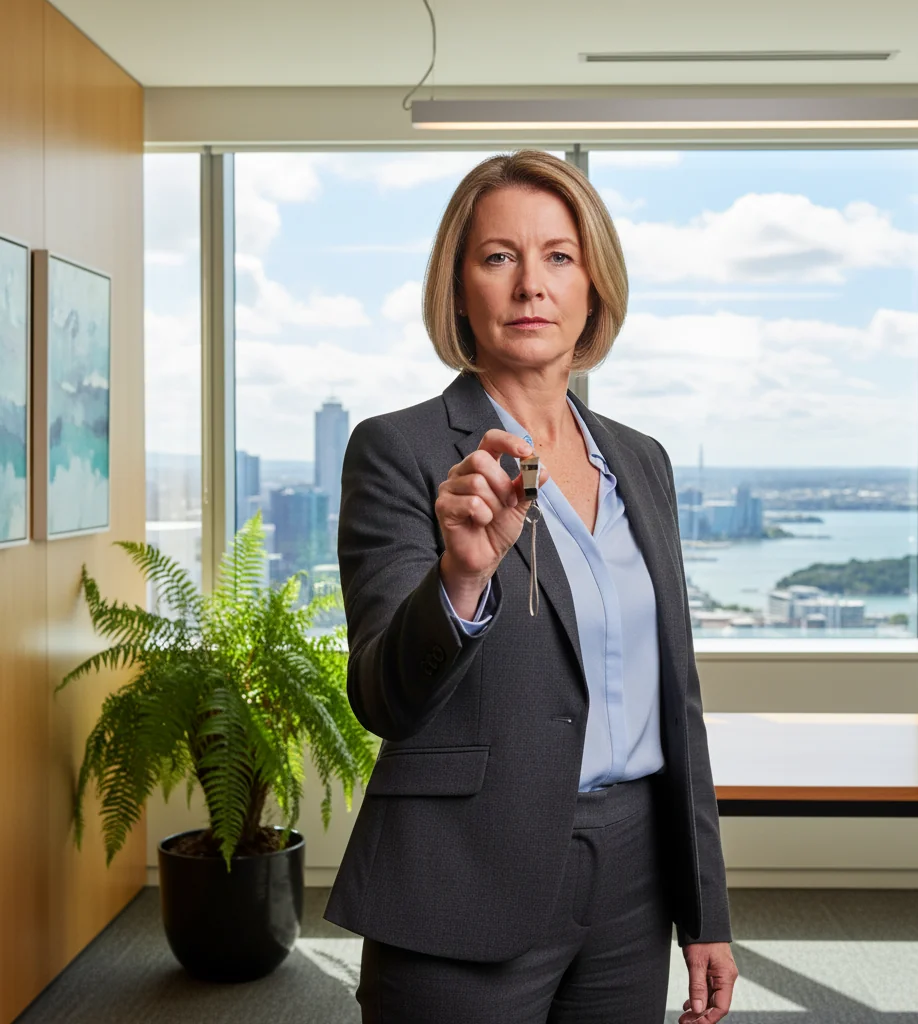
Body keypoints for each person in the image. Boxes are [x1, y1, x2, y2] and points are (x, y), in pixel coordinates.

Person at [324, 149, 738, 1023]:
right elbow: (381, 697)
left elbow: (678, 700)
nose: (530, 287)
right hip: (461, 875)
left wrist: (706, 910)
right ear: (460, 287)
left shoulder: (641, 461)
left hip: (631, 879)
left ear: (593, 287)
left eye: (559, 257)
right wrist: (461, 577)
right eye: (498, 257)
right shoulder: (397, 450)